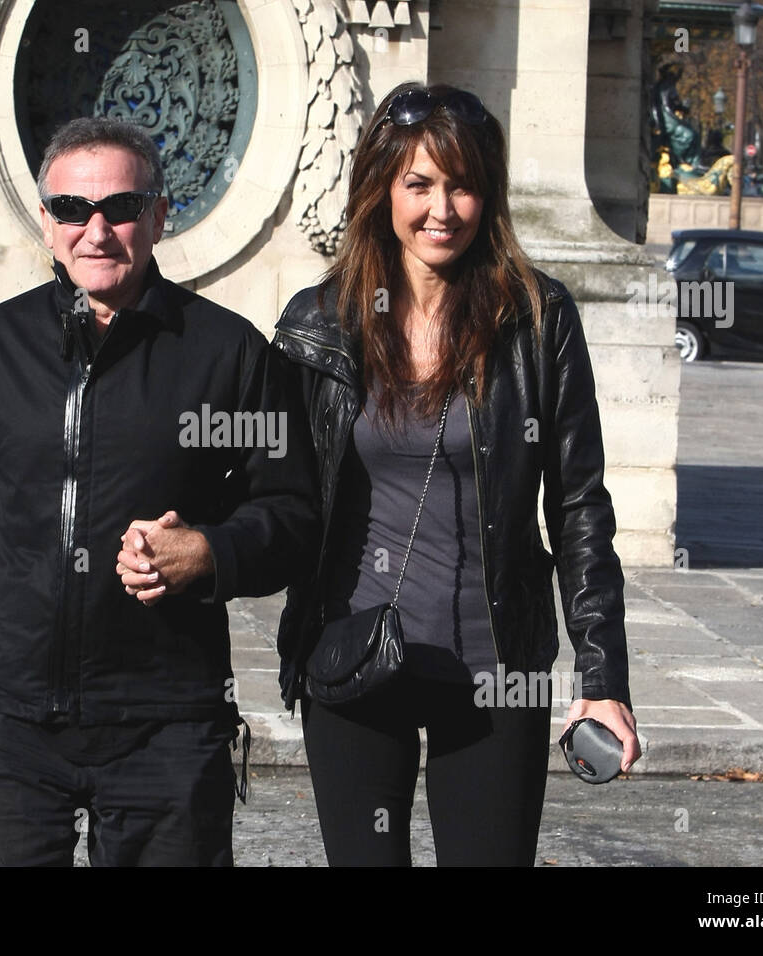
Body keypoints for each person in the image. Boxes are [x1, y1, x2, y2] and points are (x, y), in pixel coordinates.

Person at [0, 116, 318, 866]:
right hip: (12, 716)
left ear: (160, 216)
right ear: (46, 220)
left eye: (121, 209)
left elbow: (293, 512)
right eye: (72, 209)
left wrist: (211, 552)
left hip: (167, 717)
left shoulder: (225, 356)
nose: (95, 230)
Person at [271, 82, 642, 866]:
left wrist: (602, 672)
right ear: (382, 190)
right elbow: (277, 497)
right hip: (352, 656)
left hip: (494, 666)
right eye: (420, 184)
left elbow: (579, 505)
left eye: (464, 185)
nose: (443, 209)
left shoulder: (537, 320)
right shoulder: (319, 322)